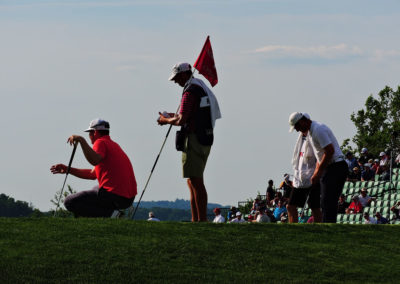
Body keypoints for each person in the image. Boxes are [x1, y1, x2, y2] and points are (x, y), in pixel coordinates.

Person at [157, 62, 221, 222]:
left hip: (194, 139)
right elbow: (186, 115)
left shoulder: (190, 92)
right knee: (192, 181)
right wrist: (173, 115)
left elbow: (182, 120)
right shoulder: (199, 87)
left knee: (196, 180)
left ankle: (201, 219)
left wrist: (165, 120)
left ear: (185, 74)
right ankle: (196, 218)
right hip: (204, 137)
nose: (175, 81)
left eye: (177, 77)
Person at [50, 119, 137, 217]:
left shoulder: (100, 142)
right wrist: (67, 169)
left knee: (70, 201)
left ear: (95, 132)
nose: (89, 136)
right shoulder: (113, 145)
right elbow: (92, 174)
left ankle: (112, 215)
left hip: (114, 196)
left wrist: (82, 140)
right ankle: (112, 213)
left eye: (89, 133)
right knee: (96, 188)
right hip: (127, 199)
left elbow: (94, 161)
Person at [289, 112, 348, 223]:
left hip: (336, 166)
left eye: (297, 126)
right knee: (326, 201)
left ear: (302, 121)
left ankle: (328, 228)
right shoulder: (311, 132)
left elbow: (330, 151)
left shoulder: (318, 130)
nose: (297, 130)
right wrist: (316, 173)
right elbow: (319, 156)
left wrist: (319, 172)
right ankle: (329, 226)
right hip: (331, 166)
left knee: (327, 200)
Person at [288, 122, 322, 223]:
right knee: (290, 206)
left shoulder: (313, 138)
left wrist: (316, 174)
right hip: (299, 178)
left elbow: (319, 158)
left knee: (314, 207)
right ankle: (292, 228)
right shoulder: (300, 141)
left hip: (312, 177)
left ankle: (319, 228)